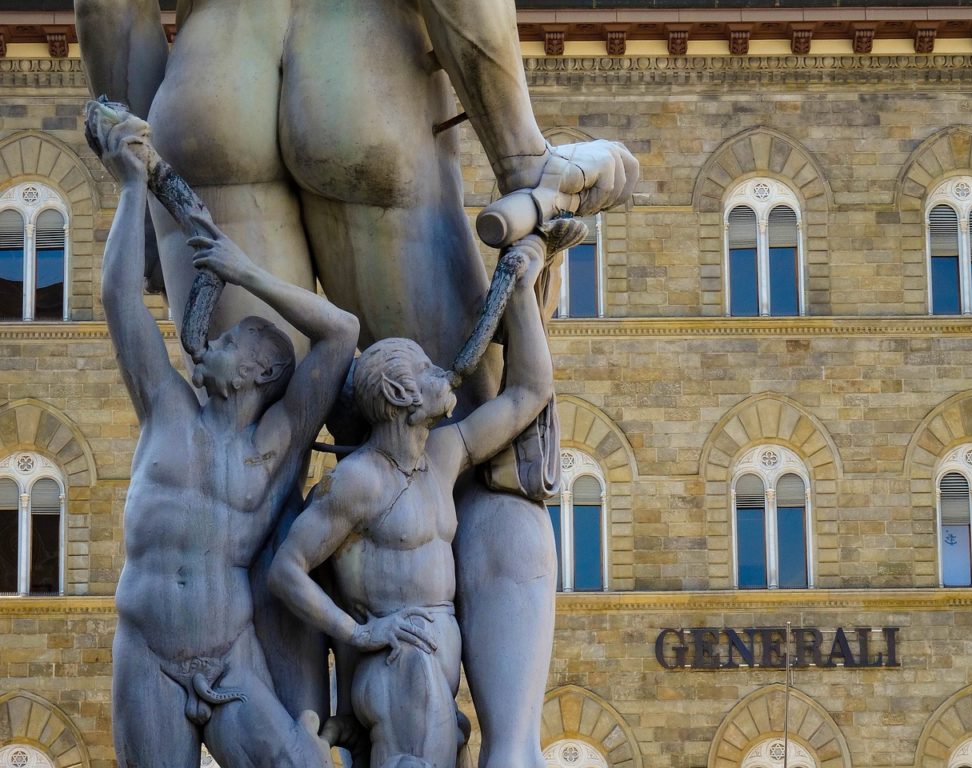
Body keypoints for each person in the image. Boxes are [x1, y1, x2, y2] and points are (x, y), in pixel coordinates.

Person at [75, 3, 639, 764]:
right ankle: (511, 749)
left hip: (211, 78)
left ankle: (304, 739)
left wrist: (140, 170)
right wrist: (520, 160)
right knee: (478, 462)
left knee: (262, 476)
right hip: (359, 67)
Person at [91, 106, 359, 768]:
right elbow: (120, 302)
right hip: (148, 651)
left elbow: (343, 334)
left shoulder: (278, 447)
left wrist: (245, 272)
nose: (210, 339)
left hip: (228, 657)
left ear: (259, 371)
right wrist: (131, 186)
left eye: (232, 340)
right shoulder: (166, 407)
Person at [268, 234, 552, 768]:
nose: (442, 373)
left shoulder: (441, 456)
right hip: (401, 669)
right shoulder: (359, 481)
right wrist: (359, 632)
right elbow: (286, 569)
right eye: (426, 370)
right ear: (400, 396)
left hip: (437, 665)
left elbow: (527, 396)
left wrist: (522, 294)